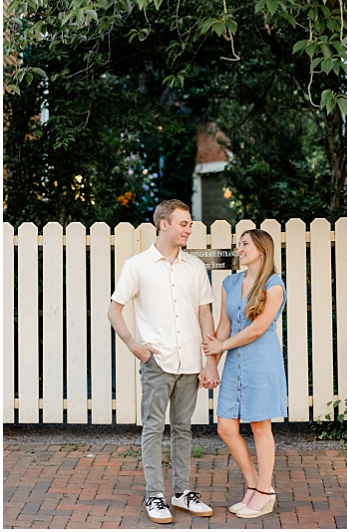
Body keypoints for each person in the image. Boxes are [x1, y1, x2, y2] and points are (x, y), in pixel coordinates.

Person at [108, 199, 220, 524]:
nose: (189, 228)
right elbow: (114, 309)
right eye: (184, 223)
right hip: (157, 361)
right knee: (154, 429)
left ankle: (182, 493)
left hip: (190, 362)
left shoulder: (195, 267)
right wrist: (133, 345)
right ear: (164, 224)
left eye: (190, 224)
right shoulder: (137, 265)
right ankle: (155, 495)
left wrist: (210, 360)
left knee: (183, 429)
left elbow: (205, 314)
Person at [202, 228, 288, 518]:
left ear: (261, 250)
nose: (239, 249)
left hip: (261, 361)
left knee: (260, 426)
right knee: (226, 427)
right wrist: (213, 361)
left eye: (245, 244)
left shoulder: (274, 286)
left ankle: (264, 492)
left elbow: (258, 328)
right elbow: (223, 327)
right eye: (238, 245)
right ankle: (255, 486)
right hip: (234, 361)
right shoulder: (230, 282)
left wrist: (223, 344)